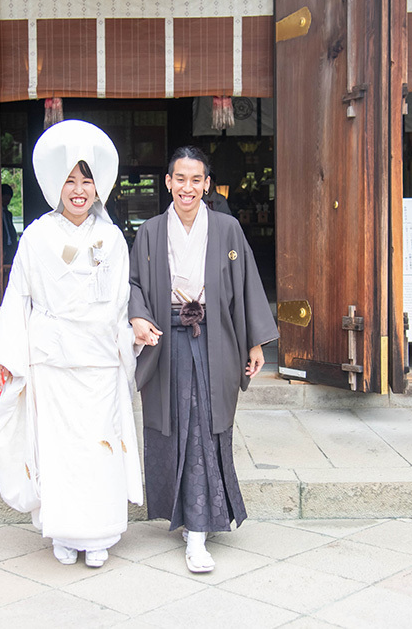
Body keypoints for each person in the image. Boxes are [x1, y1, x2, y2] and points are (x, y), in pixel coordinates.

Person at [0, 120, 142, 569]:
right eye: (70, 180)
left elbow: (121, 301)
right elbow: (19, 295)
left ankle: (100, 532)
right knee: (58, 448)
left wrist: (130, 335)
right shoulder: (37, 235)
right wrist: (7, 353)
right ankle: (63, 530)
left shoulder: (112, 238)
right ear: (57, 185)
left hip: (99, 359)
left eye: (86, 181)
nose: (78, 190)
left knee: (99, 444)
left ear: (98, 187)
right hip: (52, 358)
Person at [128, 146, 278, 574]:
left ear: (207, 184)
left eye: (196, 180)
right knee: (174, 424)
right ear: (168, 182)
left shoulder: (227, 229)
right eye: (180, 179)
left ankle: (197, 530)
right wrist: (138, 316)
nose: (188, 188)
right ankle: (188, 518)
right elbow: (132, 283)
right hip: (166, 340)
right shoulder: (151, 231)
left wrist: (255, 343)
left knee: (203, 424)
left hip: (215, 340)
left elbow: (247, 285)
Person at [1, 183, 18, 265]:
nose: (7, 201)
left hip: (11, 246)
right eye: (5, 198)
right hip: (2, 246)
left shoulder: (8, 214)